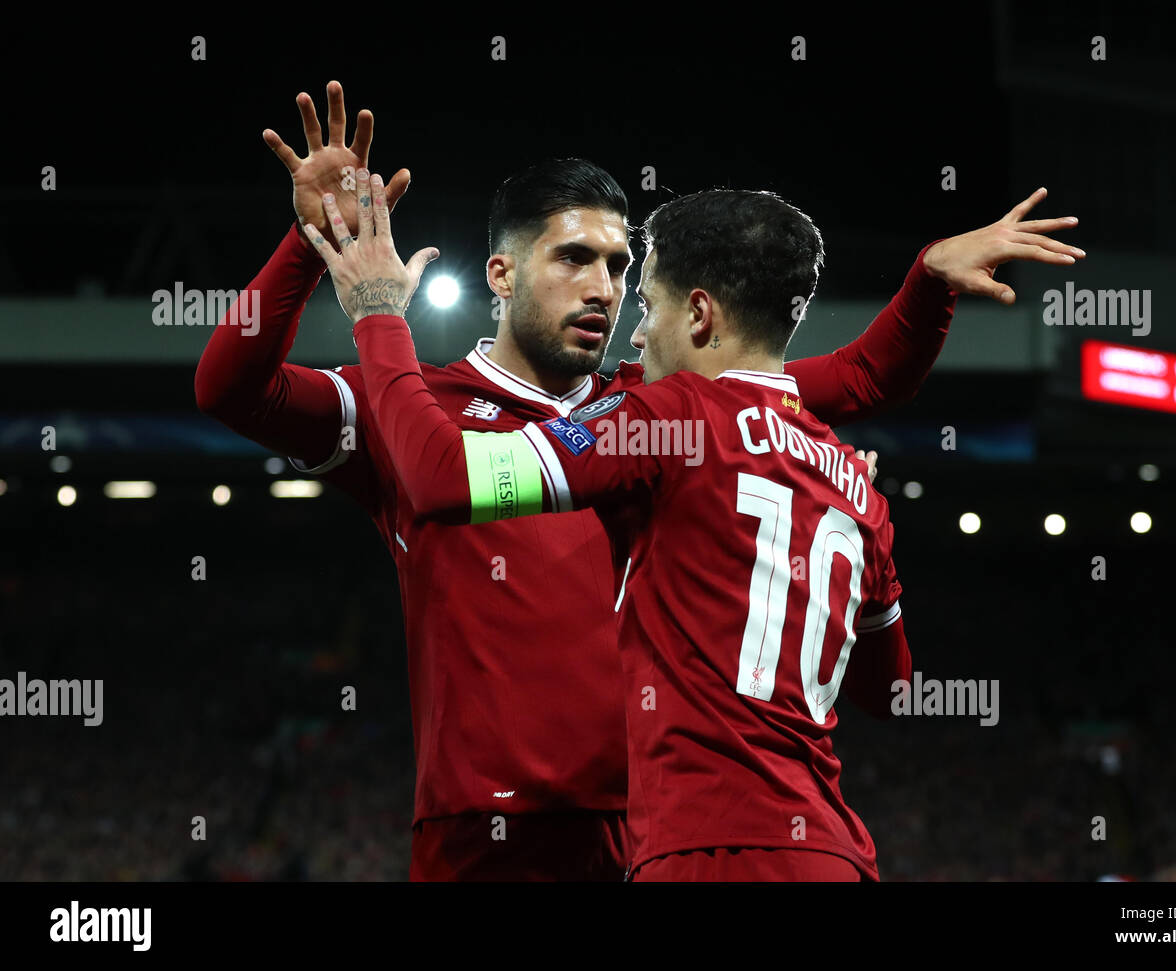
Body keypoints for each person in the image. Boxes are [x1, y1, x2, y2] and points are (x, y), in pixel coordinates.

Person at [197, 82, 1080, 880]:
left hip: (653, 832)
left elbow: (857, 377)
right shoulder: (410, 404)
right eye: (573, 257)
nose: (603, 287)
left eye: (621, 266)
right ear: (499, 274)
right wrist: (312, 246)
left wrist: (926, 282)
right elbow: (227, 385)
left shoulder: (666, 411)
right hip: (492, 832)